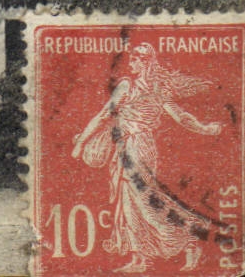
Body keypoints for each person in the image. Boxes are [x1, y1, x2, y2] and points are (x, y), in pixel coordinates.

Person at [71, 43, 222, 273]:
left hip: (136, 146)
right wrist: (206, 128)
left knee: (143, 199)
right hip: (130, 145)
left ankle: (191, 233)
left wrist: (82, 143)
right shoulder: (147, 87)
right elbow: (180, 117)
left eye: (135, 59)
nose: (130, 62)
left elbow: (105, 115)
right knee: (131, 200)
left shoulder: (132, 86)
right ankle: (141, 258)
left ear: (144, 62)